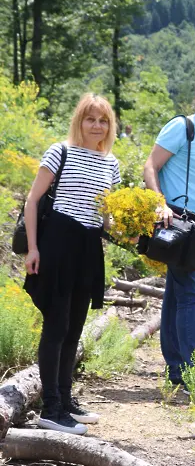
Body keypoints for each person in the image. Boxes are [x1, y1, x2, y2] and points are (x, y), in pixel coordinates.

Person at [23, 94, 121, 435]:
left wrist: (134, 223)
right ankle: (50, 408)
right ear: (79, 121)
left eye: (103, 120)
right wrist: (33, 248)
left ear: (110, 126)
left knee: (75, 326)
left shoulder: (112, 163)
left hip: (89, 246)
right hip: (58, 243)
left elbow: (109, 217)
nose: (97, 125)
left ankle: (65, 399)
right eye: (90, 119)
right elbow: (32, 201)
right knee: (57, 325)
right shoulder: (59, 151)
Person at [143, 80, 195, 390]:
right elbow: (150, 166)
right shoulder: (181, 128)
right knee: (191, 295)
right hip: (177, 223)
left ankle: (176, 368)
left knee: (177, 296)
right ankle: (190, 373)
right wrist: (160, 204)